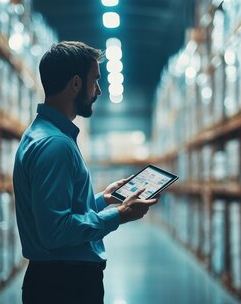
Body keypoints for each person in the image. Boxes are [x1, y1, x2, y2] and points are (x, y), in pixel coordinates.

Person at [13, 41, 158, 304]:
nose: (99, 90)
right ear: (76, 84)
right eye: (95, 81)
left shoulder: (44, 134)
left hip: (58, 279)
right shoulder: (55, 145)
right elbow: (55, 231)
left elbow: (56, 210)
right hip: (64, 285)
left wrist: (104, 199)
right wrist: (118, 216)